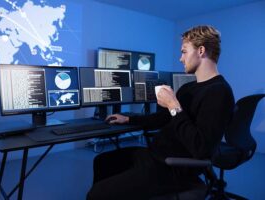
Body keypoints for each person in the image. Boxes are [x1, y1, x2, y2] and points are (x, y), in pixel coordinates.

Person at [87, 25, 235, 200]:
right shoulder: (188, 88)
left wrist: (173, 105)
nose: (180, 58)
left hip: (172, 167)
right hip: (154, 155)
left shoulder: (219, 92)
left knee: (96, 195)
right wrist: (128, 118)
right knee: (102, 162)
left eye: (184, 52)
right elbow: (163, 118)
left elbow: (201, 148)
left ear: (201, 51)